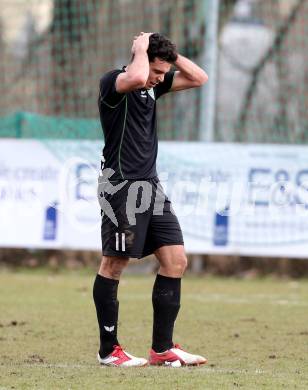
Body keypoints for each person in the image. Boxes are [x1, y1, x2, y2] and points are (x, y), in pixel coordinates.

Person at [93, 32, 208, 367]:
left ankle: (162, 348)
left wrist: (170, 57)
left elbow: (198, 77)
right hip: (120, 187)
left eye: (163, 71)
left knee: (176, 260)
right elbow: (139, 76)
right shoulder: (114, 82)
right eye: (158, 71)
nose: (159, 78)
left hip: (151, 187)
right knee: (114, 264)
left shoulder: (152, 86)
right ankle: (108, 351)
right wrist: (141, 48)